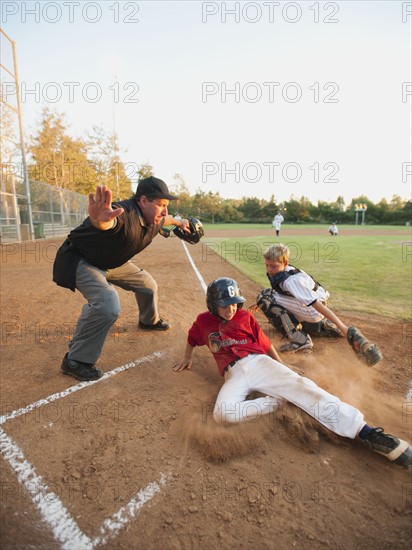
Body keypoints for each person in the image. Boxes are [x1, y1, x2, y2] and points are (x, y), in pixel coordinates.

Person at [173, 277, 412, 468]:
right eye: (225, 304)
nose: (231, 308)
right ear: (212, 305)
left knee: (301, 386)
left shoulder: (245, 317)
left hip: (258, 363)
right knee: (222, 414)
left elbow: (265, 344)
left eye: (235, 302)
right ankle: (278, 402)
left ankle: (366, 432)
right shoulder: (203, 322)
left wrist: (281, 366)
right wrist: (186, 358)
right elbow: (192, 339)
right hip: (233, 374)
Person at [53, 176, 191, 382]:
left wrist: (180, 221)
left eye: (166, 206)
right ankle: (75, 360)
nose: (164, 211)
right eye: (161, 205)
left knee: (147, 284)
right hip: (81, 260)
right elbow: (109, 222)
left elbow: (166, 220)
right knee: (108, 303)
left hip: (110, 262)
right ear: (143, 201)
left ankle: (148, 320)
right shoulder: (125, 213)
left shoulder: (154, 217)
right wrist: (101, 220)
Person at [254, 244, 382, 363]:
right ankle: (322, 325)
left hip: (313, 309)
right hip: (317, 303)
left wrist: (343, 327)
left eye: (273, 266)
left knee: (265, 298)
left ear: (285, 262)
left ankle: (301, 340)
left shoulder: (290, 281)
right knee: (271, 295)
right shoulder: (289, 270)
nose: (269, 269)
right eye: (267, 265)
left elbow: (315, 303)